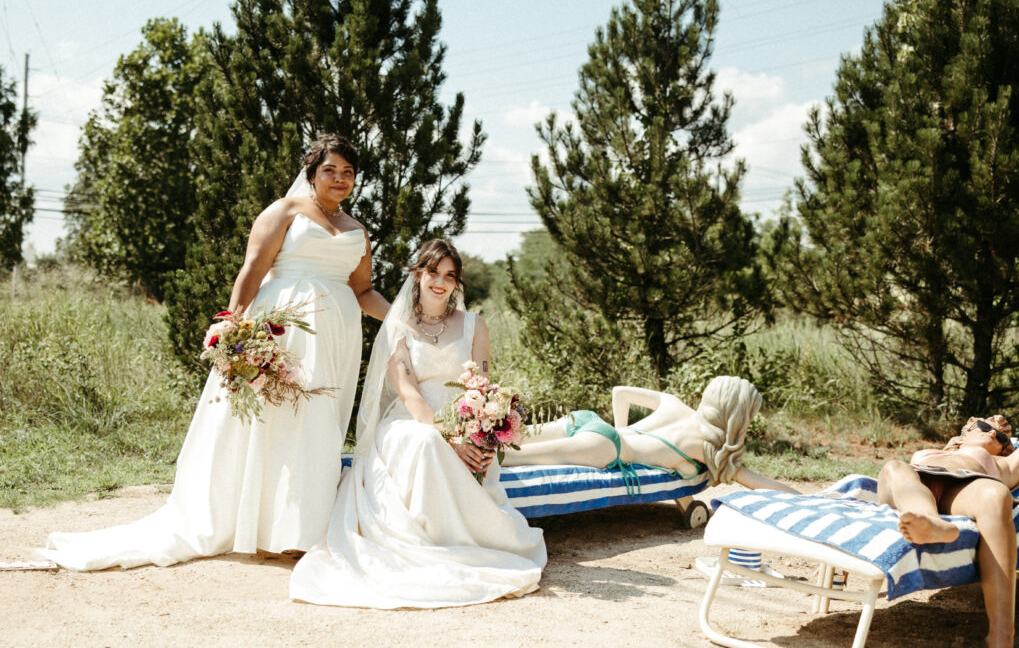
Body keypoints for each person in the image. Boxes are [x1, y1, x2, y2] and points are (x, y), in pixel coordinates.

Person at [38, 134, 388, 571]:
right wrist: (234, 333)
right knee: (273, 423)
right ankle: (255, 525)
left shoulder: (358, 230)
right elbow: (252, 271)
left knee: (319, 423)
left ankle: (299, 530)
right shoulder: (284, 212)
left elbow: (364, 291)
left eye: (347, 172)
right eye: (329, 170)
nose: (339, 179)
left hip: (337, 335)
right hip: (282, 330)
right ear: (312, 173)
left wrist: (401, 319)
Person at [289, 239, 546, 608]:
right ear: (418, 274)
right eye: (432, 272)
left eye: (449, 275)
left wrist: (481, 432)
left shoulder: (475, 325)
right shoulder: (400, 327)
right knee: (426, 443)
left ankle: (467, 534)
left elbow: (482, 386)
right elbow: (409, 395)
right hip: (411, 422)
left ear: (457, 283)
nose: (439, 282)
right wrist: (449, 438)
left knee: (464, 452)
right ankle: (431, 541)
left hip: (465, 420)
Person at [502, 378, 798, 494]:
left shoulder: (675, 404)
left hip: (589, 421)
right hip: (604, 445)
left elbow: (620, 392)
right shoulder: (707, 446)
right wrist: (807, 499)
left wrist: (618, 429)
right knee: (508, 458)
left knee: (500, 439)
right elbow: (761, 485)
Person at [876, 415, 1019, 648]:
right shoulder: (935, 452)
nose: (994, 432)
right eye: (984, 426)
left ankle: (1001, 637)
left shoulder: (1003, 463)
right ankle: (931, 523)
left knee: (996, 495)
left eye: (1002, 438)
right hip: (915, 485)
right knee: (894, 467)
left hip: (963, 488)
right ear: (964, 433)